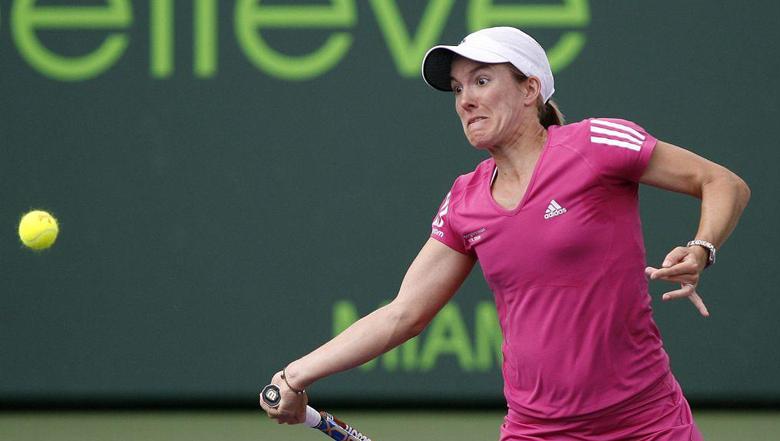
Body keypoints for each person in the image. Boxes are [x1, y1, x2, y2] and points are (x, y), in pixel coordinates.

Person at [260, 27, 750, 440]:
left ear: (530, 89)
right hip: (536, 430)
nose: (466, 100)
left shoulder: (595, 144)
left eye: (482, 80)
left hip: (646, 422)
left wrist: (702, 247)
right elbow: (403, 314)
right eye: (457, 90)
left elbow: (722, 182)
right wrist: (295, 374)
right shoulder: (464, 200)